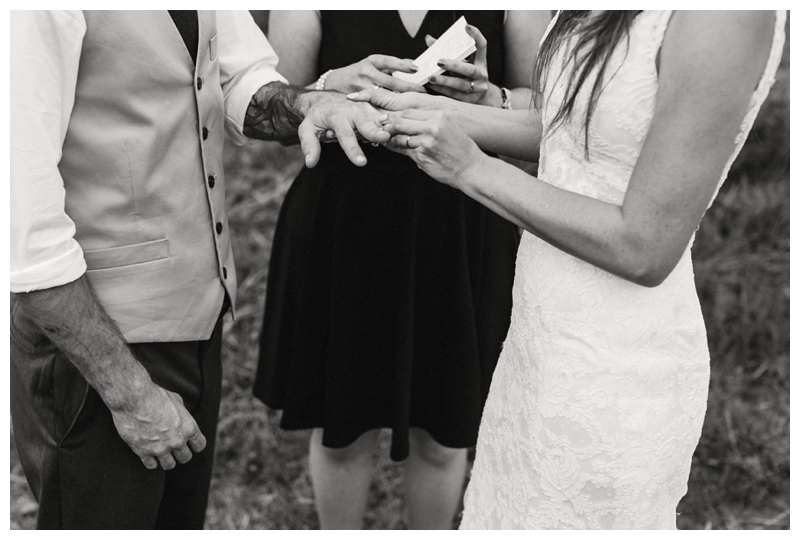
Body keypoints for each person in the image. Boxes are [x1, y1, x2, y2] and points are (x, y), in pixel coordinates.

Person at [349, 10, 785, 529]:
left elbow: (644, 247)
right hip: (539, 339)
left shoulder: (726, 20)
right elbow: (573, 133)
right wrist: (421, 110)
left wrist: (471, 168)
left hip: (616, 369)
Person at [10, 10, 389, 530]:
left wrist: (306, 102)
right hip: (98, 349)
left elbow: (238, 77)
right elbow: (24, 229)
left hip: (196, 321)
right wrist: (129, 393)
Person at [253, 10, 551, 529]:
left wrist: (488, 96)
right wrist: (328, 90)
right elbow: (279, 106)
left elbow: (545, 111)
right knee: (342, 429)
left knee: (442, 433)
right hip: (345, 223)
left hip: (461, 222)